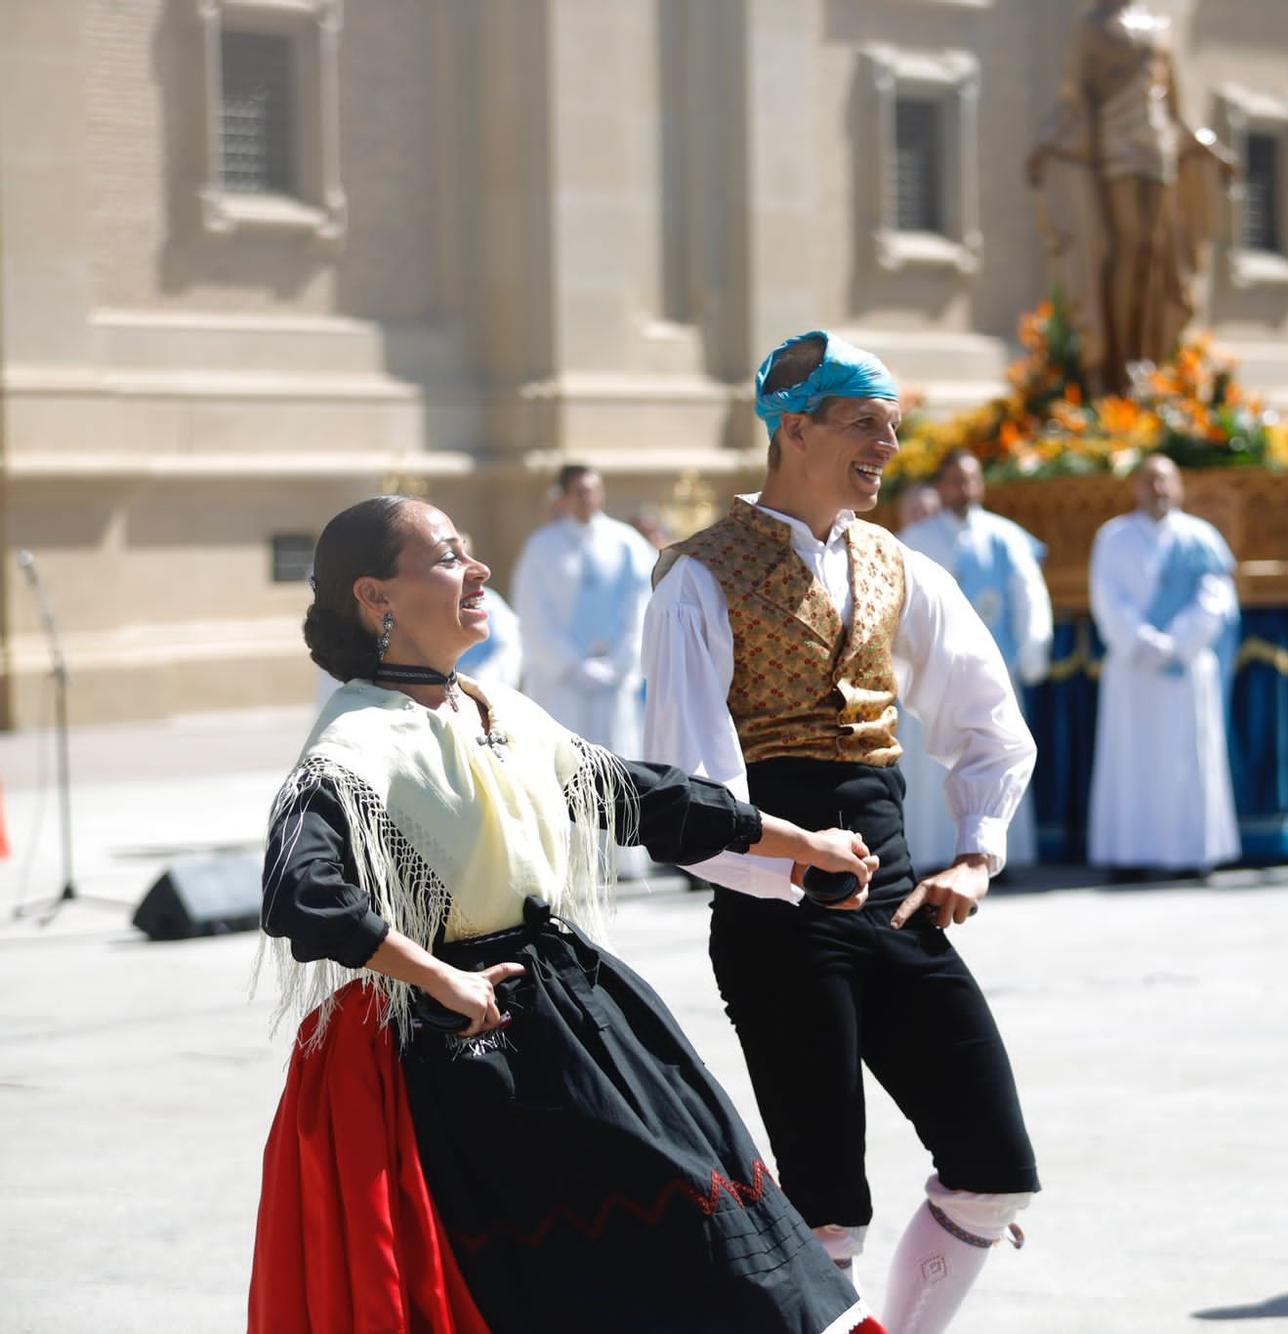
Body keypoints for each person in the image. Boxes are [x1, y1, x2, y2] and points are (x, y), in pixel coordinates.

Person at [250, 496, 886, 1334]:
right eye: (447, 557)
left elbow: (643, 797)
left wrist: (800, 844)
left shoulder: (492, 706)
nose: (478, 570)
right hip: (475, 1055)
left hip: (574, 1010)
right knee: (618, 1265)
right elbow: (298, 892)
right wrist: (441, 976)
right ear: (377, 597)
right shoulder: (355, 744)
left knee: (712, 1229)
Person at [642, 332, 1039, 1334]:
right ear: (793, 427)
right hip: (776, 916)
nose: (887, 446)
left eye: (894, 426)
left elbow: (990, 727)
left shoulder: (895, 565)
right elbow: (686, 802)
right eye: (866, 423)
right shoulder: (698, 577)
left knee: (992, 1169)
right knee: (826, 1212)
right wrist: (793, 862)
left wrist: (976, 855)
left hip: (895, 902)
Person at [1025, 1, 1233, 394]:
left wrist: (1211, 148)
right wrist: (1048, 144)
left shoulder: (1159, 25)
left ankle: (1145, 361)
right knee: (1127, 245)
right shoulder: (1091, 25)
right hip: (1114, 144)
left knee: (1153, 253)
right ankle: (1117, 366)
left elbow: (1176, 105)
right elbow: (1075, 97)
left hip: (1157, 145)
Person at [899, 450, 1055, 873]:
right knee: (931, 766)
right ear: (941, 486)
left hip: (993, 672)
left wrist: (1034, 647)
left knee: (995, 754)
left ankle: (991, 855)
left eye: (971, 480)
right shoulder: (915, 540)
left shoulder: (1006, 536)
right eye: (955, 480)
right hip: (929, 676)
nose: (964, 489)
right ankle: (932, 854)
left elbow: (1029, 594)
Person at [1088, 453, 1240, 876]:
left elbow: (1215, 597)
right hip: (1132, 669)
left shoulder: (1201, 538)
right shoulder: (1113, 537)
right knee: (1131, 759)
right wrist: (1144, 643)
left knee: (1186, 760)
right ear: (1136, 486)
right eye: (1150, 481)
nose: (1158, 489)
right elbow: (1108, 598)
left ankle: (1190, 855)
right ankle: (1130, 855)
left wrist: (1178, 643)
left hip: (1187, 667)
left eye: (1166, 481)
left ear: (1179, 486)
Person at [513, 463, 657, 756]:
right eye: (579, 492)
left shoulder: (626, 542)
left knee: (619, 764)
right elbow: (533, 611)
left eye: (593, 491)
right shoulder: (542, 546)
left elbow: (642, 603)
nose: (588, 498)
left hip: (614, 678)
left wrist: (620, 661)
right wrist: (572, 664)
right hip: (564, 682)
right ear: (563, 497)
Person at [450, 534, 522, 690]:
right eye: (453, 560)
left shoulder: (491, 602)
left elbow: (508, 645)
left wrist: (485, 678)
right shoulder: (440, 604)